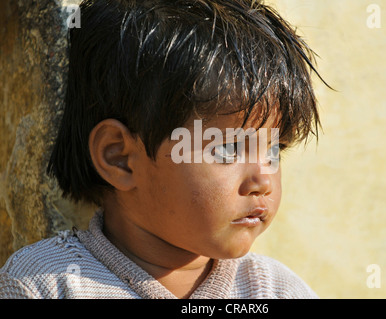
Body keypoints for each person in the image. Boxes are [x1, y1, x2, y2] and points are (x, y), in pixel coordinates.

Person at [0, 0, 324, 299]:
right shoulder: (44, 283)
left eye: (273, 151)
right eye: (228, 149)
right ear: (121, 158)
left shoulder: (273, 290)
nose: (263, 180)